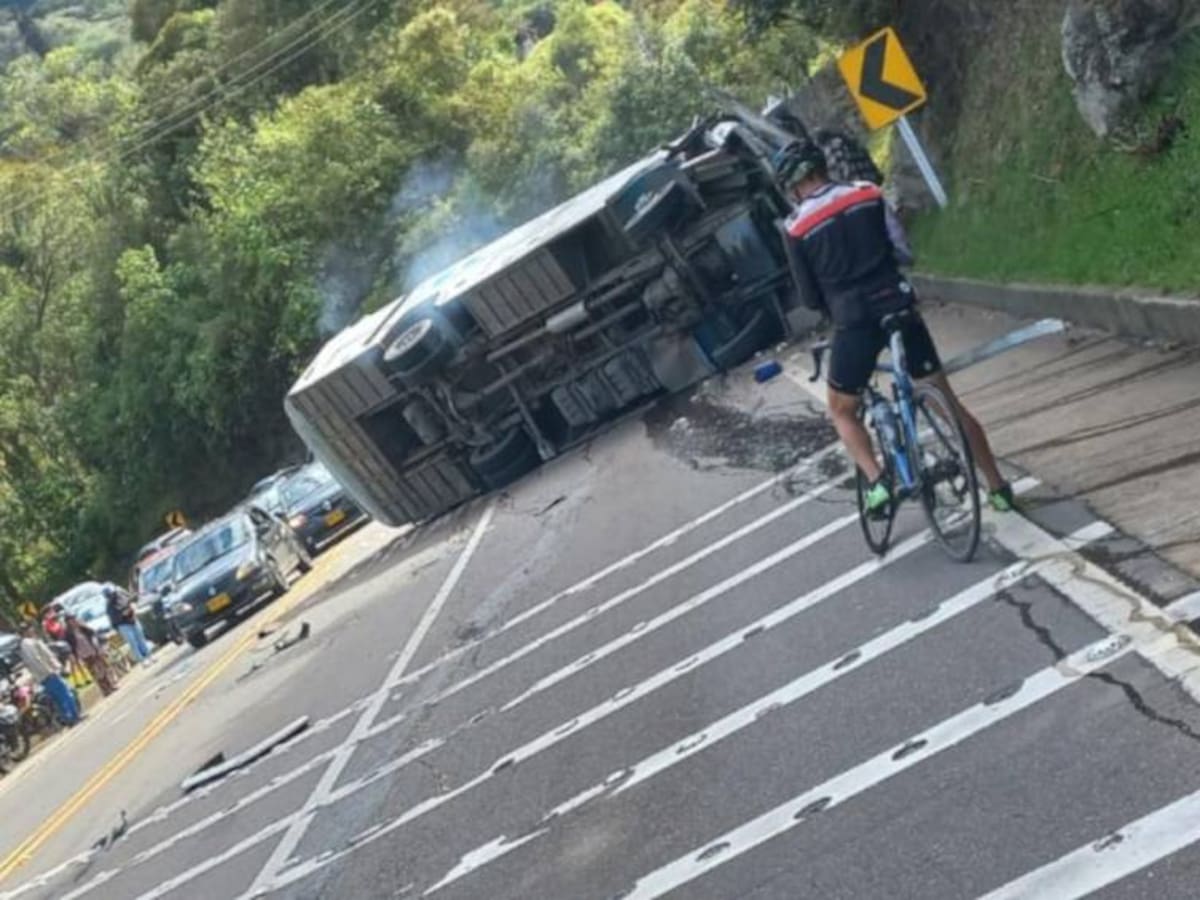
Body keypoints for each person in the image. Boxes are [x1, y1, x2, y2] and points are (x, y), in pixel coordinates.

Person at [776, 141, 1015, 515]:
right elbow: (902, 249)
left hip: (854, 319)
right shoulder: (867, 193)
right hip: (897, 302)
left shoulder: (795, 228)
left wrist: (833, 305)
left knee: (842, 409)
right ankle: (998, 487)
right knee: (946, 403)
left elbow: (808, 296)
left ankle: (877, 481)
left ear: (792, 185)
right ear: (822, 167)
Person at [18, 622, 80, 726]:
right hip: (48, 674)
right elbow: (37, 660)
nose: (32, 630)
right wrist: (49, 671)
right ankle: (72, 716)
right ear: (25, 631)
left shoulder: (31, 642)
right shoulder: (28, 644)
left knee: (60, 697)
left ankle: (68, 717)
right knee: (64, 694)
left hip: (46, 675)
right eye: (29, 628)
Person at [63, 614, 117, 695]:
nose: (73, 621)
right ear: (67, 622)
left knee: (102, 669)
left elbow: (92, 632)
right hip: (84, 655)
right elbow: (70, 647)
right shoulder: (68, 634)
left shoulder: (82, 628)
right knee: (95, 673)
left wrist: (83, 625)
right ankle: (105, 690)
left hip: (93, 650)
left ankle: (110, 685)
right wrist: (74, 656)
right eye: (71, 620)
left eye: (74, 619)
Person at [104, 585, 153, 666]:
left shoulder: (121, 596)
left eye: (113, 593)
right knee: (133, 642)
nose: (113, 595)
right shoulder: (109, 606)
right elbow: (114, 618)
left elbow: (131, 601)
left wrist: (132, 607)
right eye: (110, 594)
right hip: (123, 625)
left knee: (141, 638)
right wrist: (122, 614)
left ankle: (149, 656)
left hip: (133, 620)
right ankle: (142, 660)